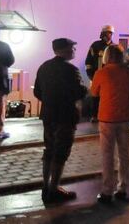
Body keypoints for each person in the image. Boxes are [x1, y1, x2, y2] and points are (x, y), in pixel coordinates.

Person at [34, 38, 88, 203]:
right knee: (61, 151)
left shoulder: (44, 67)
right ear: (64, 50)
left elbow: (37, 92)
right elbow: (79, 92)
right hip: (65, 115)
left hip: (48, 114)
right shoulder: (71, 70)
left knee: (49, 149)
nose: (74, 51)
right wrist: (85, 89)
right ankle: (54, 188)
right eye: (72, 48)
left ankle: (45, 185)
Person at [90, 44, 129, 203]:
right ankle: (123, 188)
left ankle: (107, 190)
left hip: (107, 117)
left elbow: (94, 92)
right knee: (124, 154)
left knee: (107, 155)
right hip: (125, 116)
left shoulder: (101, 73)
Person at [85, 25, 115, 122]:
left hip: (110, 79)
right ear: (103, 34)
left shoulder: (114, 47)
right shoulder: (95, 45)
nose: (109, 35)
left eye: (111, 33)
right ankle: (94, 116)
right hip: (96, 77)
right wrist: (91, 76)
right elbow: (88, 62)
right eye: (107, 33)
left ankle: (107, 115)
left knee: (108, 97)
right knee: (95, 97)